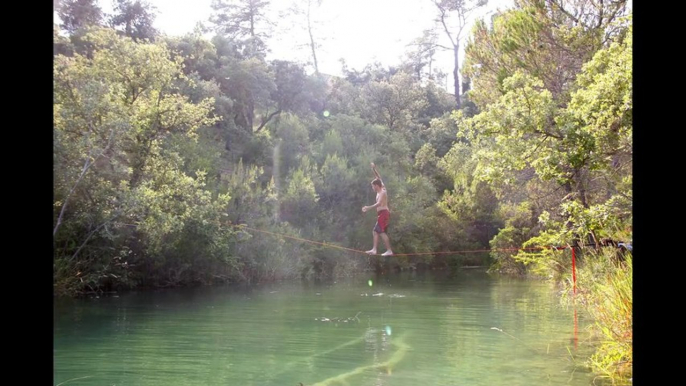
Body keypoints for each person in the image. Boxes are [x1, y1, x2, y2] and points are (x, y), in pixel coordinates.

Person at [362, 163, 393, 256]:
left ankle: (388, 250)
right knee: (377, 231)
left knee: (378, 231)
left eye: (373, 186)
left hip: (384, 213)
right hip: (382, 214)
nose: (372, 187)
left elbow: (379, 203)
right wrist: (374, 169)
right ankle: (375, 249)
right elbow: (378, 177)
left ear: (376, 185)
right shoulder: (380, 188)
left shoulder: (383, 191)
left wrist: (368, 207)